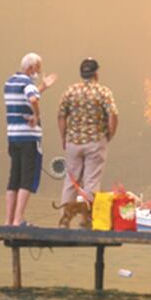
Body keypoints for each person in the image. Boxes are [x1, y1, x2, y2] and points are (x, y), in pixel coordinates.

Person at [57, 57, 119, 214]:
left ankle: (65, 218)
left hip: (73, 142)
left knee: (71, 181)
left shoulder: (70, 91)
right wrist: (109, 134)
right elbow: (112, 115)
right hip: (95, 141)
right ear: (96, 74)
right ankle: (88, 220)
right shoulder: (103, 92)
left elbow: (61, 115)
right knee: (91, 181)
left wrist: (63, 137)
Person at [3, 52, 57, 226]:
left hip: (13, 137)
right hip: (28, 138)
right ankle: (19, 219)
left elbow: (28, 96)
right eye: (38, 68)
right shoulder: (27, 83)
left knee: (14, 178)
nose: (39, 72)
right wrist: (37, 115)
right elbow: (32, 98)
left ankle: (8, 220)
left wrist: (43, 87)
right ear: (31, 67)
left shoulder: (9, 82)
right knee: (27, 178)